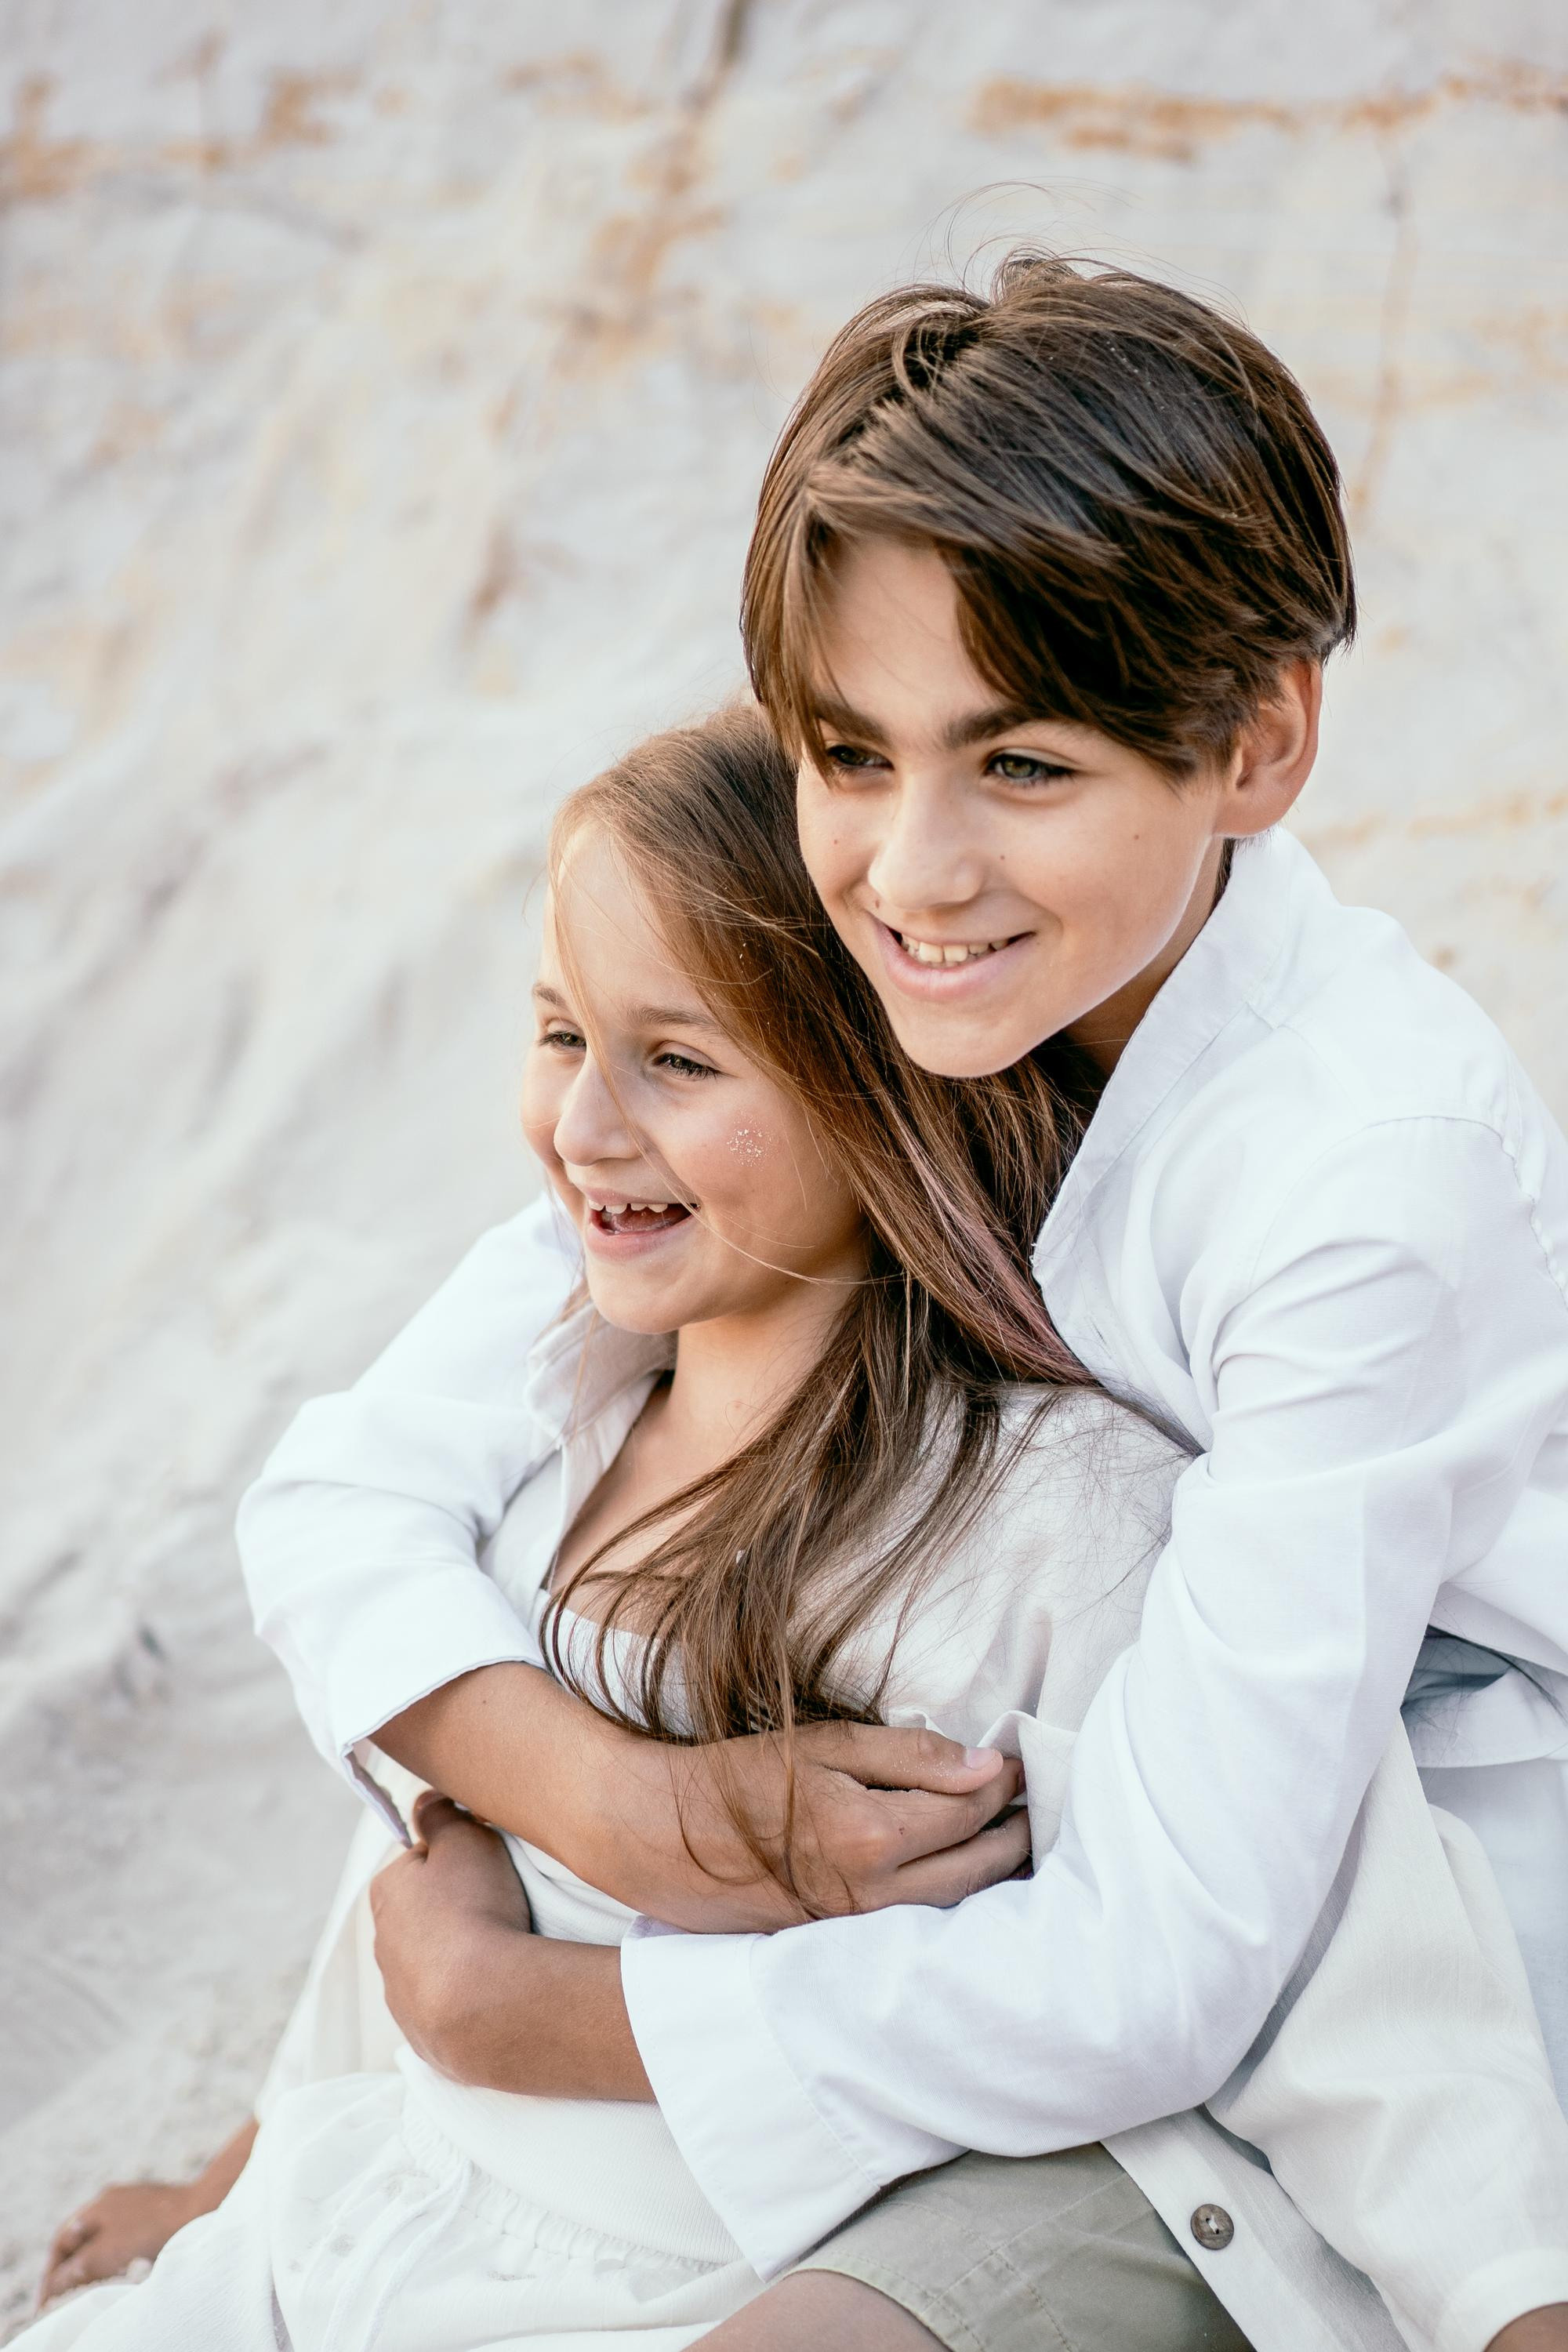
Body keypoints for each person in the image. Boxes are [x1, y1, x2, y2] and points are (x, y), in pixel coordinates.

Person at [226, 252, 1568, 2350]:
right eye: (852, 753)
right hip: (1009, 1906)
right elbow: (361, 1485)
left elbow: (1172, 1975)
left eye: (1020, 765)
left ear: (1256, 744)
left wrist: (543, 2009)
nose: (908, 872)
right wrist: (620, 1812)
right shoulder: (926, 957)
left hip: (1384, 1972)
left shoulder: (1352, 1191)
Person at [24, 710, 1568, 2352]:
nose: (586, 1127)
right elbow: (414, 1880)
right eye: (560, 1034)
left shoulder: (1054, 1520)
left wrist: (1503, 2299)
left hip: (667, 2282)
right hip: (374, 2215)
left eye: (678, 1062)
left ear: (880, 1100)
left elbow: (1360, 1983)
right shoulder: (569, 1409)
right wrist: (243, 2178)